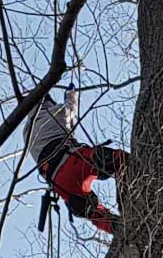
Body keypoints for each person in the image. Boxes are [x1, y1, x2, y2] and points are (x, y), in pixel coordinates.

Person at [23, 82, 127, 234]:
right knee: (118, 160)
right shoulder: (54, 112)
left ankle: (121, 229)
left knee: (91, 211)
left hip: (59, 181)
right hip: (73, 160)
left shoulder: (26, 131)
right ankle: (128, 197)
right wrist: (71, 93)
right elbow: (71, 108)